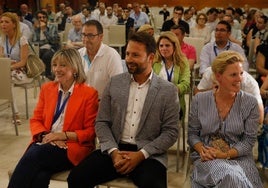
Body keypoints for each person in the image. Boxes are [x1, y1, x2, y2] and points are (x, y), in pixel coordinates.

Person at [67, 32, 180, 188]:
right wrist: (113, 152)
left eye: (135, 55)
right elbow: (102, 122)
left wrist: (141, 155)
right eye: (127, 54)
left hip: (148, 154)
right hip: (114, 148)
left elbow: (171, 132)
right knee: (76, 178)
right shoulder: (115, 83)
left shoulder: (167, 90)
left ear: (151, 57)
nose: (128, 59)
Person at [8, 48, 99, 188]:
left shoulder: (89, 94)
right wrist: (47, 135)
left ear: (75, 68)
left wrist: (62, 136)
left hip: (71, 147)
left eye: (63, 65)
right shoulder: (47, 89)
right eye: (55, 65)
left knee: (35, 154)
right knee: (40, 175)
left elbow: (90, 132)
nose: (57, 69)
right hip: (46, 140)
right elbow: (36, 120)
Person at [188, 50, 263, 188]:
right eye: (233, 75)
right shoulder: (200, 100)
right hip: (208, 157)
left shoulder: (250, 103)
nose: (240, 79)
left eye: (241, 73)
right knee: (231, 177)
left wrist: (225, 154)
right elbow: (192, 134)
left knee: (236, 179)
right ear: (219, 76)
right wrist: (202, 150)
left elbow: (248, 141)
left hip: (240, 157)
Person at [0, 12, 33, 124]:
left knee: (7, 79)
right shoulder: (2, 39)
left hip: (22, 71)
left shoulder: (22, 39)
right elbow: (1, 58)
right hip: (8, 70)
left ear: (14, 24)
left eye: (6, 22)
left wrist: (9, 66)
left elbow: (23, 62)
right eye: (1, 22)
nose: (3, 24)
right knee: (6, 79)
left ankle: (16, 113)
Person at [78, 20, 123, 100]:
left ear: (101, 37)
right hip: (82, 101)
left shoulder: (111, 56)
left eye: (91, 36)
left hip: (102, 103)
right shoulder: (79, 54)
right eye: (84, 35)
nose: (86, 39)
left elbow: (118, 87)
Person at [153, 31, 190, 121]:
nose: (164, 48)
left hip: (175, 102)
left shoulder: (182, 62)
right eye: (161, 46)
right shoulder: (155, 62)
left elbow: (185, 84)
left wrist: (171, 91)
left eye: (167, 45)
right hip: (156, 102)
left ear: (174, 46)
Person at [32, 10, 60, 80]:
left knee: (46, 55)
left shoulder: (53, 27)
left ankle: (48, 74)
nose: (41, 19)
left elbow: (54, 41)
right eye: (39, 17)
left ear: (46, 18)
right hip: (39, 49)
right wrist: (45, 42)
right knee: (33, 54)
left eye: (43, 17)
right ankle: (38, 74)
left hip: (52, 48)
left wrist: (44, 30)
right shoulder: (36, 29)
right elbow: (34, 42)